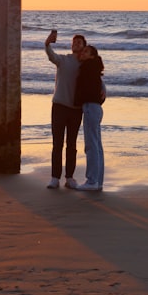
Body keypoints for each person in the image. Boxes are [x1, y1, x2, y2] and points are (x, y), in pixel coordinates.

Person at [44, 29, 85, 189]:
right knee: (57, 143)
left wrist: (103, 91)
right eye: (74, 42)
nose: (76, 44)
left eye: (79, 43)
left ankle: (69, 177)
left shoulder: (85, 64)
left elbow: (96, 77)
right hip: (59, 106)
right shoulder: (63, 60)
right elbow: (51, 56)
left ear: (83, 47)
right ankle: (55, 177)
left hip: (76, 109)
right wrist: (47, 43)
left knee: (72, 144)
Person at [74, 45, 106, 191]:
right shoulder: (94, 69)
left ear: (92, 56)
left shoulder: (87, 68)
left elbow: (85, 89)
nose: (83, 53)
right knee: (97, 145)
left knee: (91, 145)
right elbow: (100, 87)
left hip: (90, 107)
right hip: (96, 108)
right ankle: (98, 181)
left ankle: (92, 180)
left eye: (86, 52)